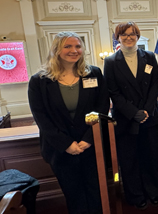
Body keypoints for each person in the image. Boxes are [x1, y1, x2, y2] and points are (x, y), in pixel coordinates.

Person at [28, 32, 109, 214]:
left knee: (95, 191)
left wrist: (89, 139)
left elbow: (102, 108)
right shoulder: (39, 81)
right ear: (57, 50)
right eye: (68, 46)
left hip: (90, 145)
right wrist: (66, 144)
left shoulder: (93, 73)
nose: (74, 50)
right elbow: (41, 118)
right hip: (60, 150)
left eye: (78, 46)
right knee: (74, 194)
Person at [103, 22, 158, 210]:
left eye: (132, 34)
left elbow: (154, 86)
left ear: (138, 36)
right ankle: (136, 196)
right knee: (130, 160)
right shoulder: (111, 62)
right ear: (117, 38)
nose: (129, 37)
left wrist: (145, 111)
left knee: (151, 157)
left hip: (149, 117)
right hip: (126, 119)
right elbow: (113, 92)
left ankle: (153, 192)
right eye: (124, 35)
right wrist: (134, 113)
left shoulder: (150, 57)